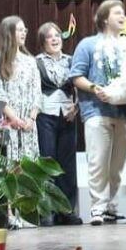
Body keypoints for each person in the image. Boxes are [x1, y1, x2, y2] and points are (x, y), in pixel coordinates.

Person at [70, 0, 126, 225]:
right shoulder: (88, 44)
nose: (123, 16)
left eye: (123, 13)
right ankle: (97, 208)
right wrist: (94, 88)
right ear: (105, 18)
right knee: (98, 162)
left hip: (125, 112)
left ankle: (110, 207)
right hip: (96, 111)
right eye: (118, 13)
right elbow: (76, 75)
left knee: (117, 166)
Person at [36, 22, 83, 226]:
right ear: (42, 41)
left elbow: (80, 86)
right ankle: (47, 210)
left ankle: (67, 210)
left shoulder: (72, 60)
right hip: (45, 114)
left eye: (57, 35)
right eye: (49, 36)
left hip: (68, 114)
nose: (54, 39)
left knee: (67, 164)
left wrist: (77, 107)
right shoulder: (36, 62)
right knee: (47, 161)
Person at [0, 16, 42, 165]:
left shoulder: (30, 61)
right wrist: (13, 117)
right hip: (6, 121)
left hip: (27, 124)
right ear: (8, 32)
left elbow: (37, 92)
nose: (23, 33)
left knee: (27, 167)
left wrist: (31, 118)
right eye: (19, 30)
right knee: (7, 166)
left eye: (25, 30)